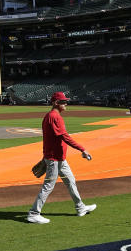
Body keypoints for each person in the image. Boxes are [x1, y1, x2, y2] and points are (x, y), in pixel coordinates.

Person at [27, 92, 96, 224]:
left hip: (58, 159)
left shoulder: (49, 116)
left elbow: (49, 139)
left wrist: (45, 156)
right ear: (55, 103)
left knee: (70, 181)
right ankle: (33, 213)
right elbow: (65, 136)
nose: (66, 104)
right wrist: (82, 149)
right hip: (54, 160)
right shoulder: (54, 117)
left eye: (65, 101)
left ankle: (80, 207)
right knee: (48, 185)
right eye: (63, 102)